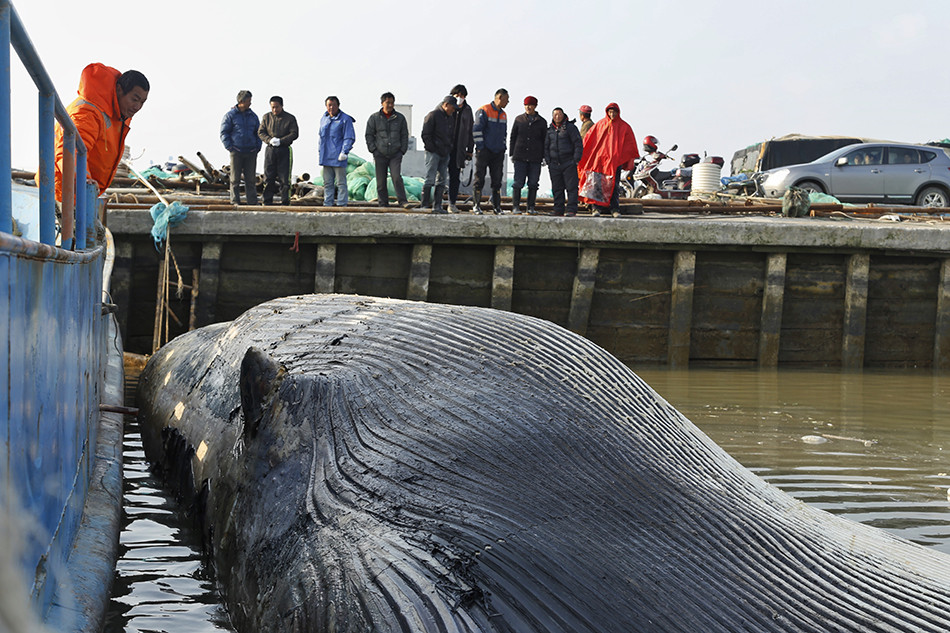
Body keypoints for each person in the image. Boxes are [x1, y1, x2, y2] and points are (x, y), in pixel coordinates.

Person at [52, 63, 149, 203]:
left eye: (142, 102)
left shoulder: (118, 115)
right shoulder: (88, 112)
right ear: (120, 90)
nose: (137, 107)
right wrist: (84, 181)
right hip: (62, 194)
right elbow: (70, 150)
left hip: (83, 195)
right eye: (134, 99)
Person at [577, 102, 639, 217]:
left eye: (614, 112)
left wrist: (624, 159)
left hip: (615, 163)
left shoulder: (624, 126)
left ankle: (615, 209)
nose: (612, 114)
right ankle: (596, 209)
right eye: (610, 112)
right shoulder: (600, 125)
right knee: (597, 185)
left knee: (614, 186)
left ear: (617, 112)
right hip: (599, 162)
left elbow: (629, 144)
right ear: (607, 112)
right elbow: (588, 141)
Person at [365, 92, 412, 208]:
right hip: (380, 154)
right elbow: (369, 135)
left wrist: (402, 150)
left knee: (396, 178)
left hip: (395, 154)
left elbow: (404, 135)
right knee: (381, 181)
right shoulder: (374, 118)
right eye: (388, 103)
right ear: (382, 103)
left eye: (392, 103)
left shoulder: (400, 118)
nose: (390, 105)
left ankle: (403, 201)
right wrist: (374, 150)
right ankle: (383, 204)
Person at [472, 88, 509, 214]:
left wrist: (503, 147)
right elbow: (476, 129)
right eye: (506, 99)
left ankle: (496, 206)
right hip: (484, 151)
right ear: (499, 97)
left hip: (498, 152)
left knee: (497, 180)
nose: (508, 102)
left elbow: (504, 134)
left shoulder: (504, 114)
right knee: (479, 178)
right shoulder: (484, 110)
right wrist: (481, 147)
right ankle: (476, 205)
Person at [221, 90, 261, 205]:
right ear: (241, 101)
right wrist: (230, 147)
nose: (250, 103)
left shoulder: (253, 116)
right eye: (248, 101)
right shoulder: (230, 116)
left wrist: (257, 147)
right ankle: (235, 201)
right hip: (236, 151)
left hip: (251, 151)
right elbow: (224, 133)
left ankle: (252, 202)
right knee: (235, 179)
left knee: (251, 179)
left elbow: (258, 132)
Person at [257, 96, 299, 206]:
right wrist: (269, 140)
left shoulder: (290, 118)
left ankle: (285, 202)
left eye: (277, 107)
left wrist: (282, 141)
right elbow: (261, 132)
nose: (275, 110)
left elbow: (294, 133)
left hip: (284, 150)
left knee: (285, 178)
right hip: (270, 150)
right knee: (268, 177)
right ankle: (267, 201)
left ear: (282, 106)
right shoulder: (266, 117)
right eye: (272, 107)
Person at [509, 96, 547, 214]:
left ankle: (530, 207)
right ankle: (515, 206)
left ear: (535, 106)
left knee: (533, 183)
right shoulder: (519, 119)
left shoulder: (542, 122)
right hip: (520, 156)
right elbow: (513, 137)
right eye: (526, 105)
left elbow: (545, 140)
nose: (528, 107)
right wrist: (511, 153)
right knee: (518, 183)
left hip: (535, 158)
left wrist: (544, 156)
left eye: (530, 105)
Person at [543, 107, 583, 216]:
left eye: (559, 114)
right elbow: (545, 147)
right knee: (557, 188)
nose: (557, 116)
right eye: (555, 114)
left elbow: (578, 144)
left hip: (569, 163)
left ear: (563, 115)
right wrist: (548, 161)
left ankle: (571, 210)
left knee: (571, 188)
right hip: (554, 164)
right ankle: (558, 209)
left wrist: (575, 160)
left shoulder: (571, 128)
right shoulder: (549, 130)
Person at [421, 96, 457, 214]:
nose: (453, 110)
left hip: (445, 153)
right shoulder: (433, 115)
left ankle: (438, 205)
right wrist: (433, 148)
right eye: (452, 107)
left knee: (441, 180)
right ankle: (425, 205)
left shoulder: (451, 118)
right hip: (433, 153)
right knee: (430, 178)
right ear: (446, 105)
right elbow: (426, 134)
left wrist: (448, 148)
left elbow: (451, 135)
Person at [319, 96, 356, 207]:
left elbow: (349, 136)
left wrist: (344, 151)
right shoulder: (324, 118)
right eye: (329, 105)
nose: (331, 107)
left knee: (341, 182)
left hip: (338, 156)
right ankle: (327, 204)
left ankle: (341, 204)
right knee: (328, 183)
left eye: (333, 105)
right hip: (326, 156)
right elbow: (321, 137)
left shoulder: (345, 119)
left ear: (338, 105)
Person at [447, 84, 474, 214]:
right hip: (445, 148)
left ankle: (451, 203)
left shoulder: (468, 110)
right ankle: (435, 203)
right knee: (439, 177)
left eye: (462, 96)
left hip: (459, 149)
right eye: (457, 95)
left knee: (455, 177)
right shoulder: (445, 106)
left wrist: (470, 150)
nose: (459, 98)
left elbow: (470, 131)